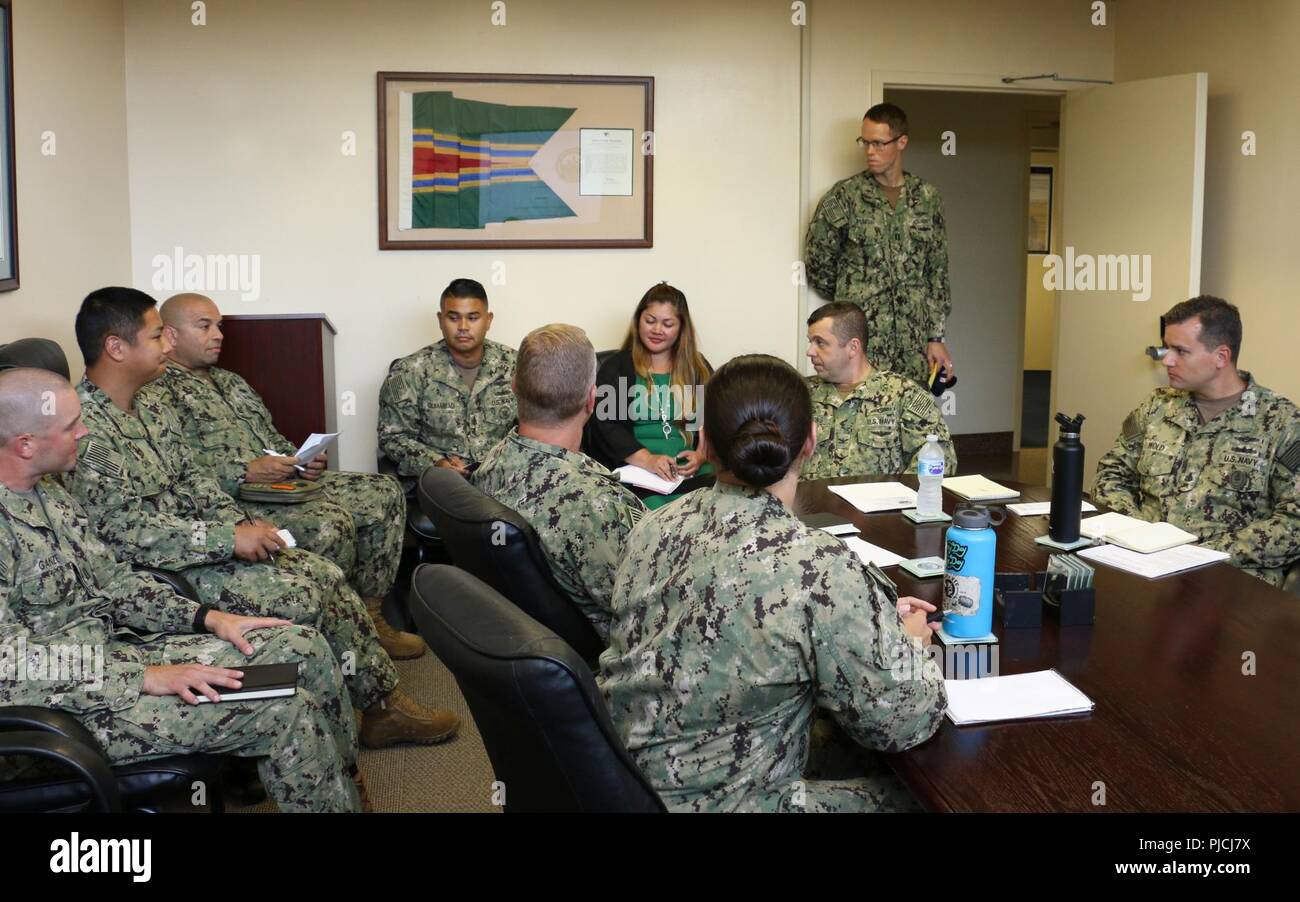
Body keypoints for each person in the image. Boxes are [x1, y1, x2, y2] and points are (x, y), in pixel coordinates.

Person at [65, 287, 459, 749]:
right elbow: (125, 534)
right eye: (157, 337)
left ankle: (381, 707)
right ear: (116, 347)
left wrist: (242, 526)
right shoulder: (84, 428)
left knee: (323, 571)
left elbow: (194, 480)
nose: (167, 346)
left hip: (204, 546)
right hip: (164, 574)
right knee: (304, 589)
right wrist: (226, 539)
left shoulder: (149, 404)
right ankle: (327, 727)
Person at [0, 367, 361, 812]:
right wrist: (144, 676)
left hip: (119, 651)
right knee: (284, 710)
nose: (85, 431)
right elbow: (8, 663)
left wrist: (207, 618)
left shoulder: (49, 493)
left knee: (301, 644)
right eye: (72, 425)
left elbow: (114, 583)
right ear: (25, 444)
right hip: (66, 711)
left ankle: (341, 790)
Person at [599, 354, 947, 813]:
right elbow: (904, 721)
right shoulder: (817, 568)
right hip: (732, 801)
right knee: (930, 799)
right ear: (811, 442)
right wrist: (910, 647)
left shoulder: (650, 525)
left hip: (621, 777)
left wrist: (861, 617)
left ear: (703, 442)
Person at [149, 293, 423, 660]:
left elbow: (272, 439)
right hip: (236, 500)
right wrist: (244, 471)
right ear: (169, 334)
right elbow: (178, 469)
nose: (218, 335)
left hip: (283, 486)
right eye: (205, 326)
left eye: (219, 326)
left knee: (384, 492)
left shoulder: (231, 382)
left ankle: (371, 617)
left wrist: (300, 460)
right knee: (331, 524)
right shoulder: (158, 390)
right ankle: (338, 640)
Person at [1093, 296, 1300, 587]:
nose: (1167, 360)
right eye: (1167, 347)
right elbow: (1111, 474)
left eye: (1181, 351)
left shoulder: (1281, 423)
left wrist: (1202, 553)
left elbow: (1294, 521)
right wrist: (1137, 531)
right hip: (1140, 565)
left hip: (1228, 580)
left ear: (1221, 357)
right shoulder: (1157, 407)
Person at [473, 325, 646, 642]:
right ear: (592, 400)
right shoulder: (595, 504)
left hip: (524, 639)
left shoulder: (492, 463)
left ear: (514, 386)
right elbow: (643, 611)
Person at [804, 102, 954, 388]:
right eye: (865, 142)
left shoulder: (927, 198)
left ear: (901, 142)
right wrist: (855, 294)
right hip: (860, 344)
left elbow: (937, 273)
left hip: (913, 346)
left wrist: (936, 338)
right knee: (859, 424)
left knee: (911, 422)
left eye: (878, 143)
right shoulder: (845, 197)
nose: (870, 152)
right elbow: (818, 264)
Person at [588, 282, 713, 510]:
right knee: (663, 517)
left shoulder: (697, 368)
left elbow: (711, 420)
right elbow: (606, 427)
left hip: (691, 472)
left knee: (715, 506)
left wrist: (701, 455)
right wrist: (648, 460)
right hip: (640, 474)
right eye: (650, 320)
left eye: (667, 324)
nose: (657, 330)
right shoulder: (617, 368)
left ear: (681, 329)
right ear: (638, 321)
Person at [378, 278, 517, 478]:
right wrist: (435, 463)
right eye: (453, 318)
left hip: (503, 476)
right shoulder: (409, 371)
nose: (463, 326)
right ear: (440, 320)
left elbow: (535, 427)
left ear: (488, 320)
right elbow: (393, 437)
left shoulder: (516, 366)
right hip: (442, 482)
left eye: (473, 318)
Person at [803, 302, 955, 480]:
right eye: (810, 342)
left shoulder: (904, 395)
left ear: (853, 347)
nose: (810, 351)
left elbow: (942, 459)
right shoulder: (800, 393)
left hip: (878, 506)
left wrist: (899, 497)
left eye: (820, 343)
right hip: (811, 505)